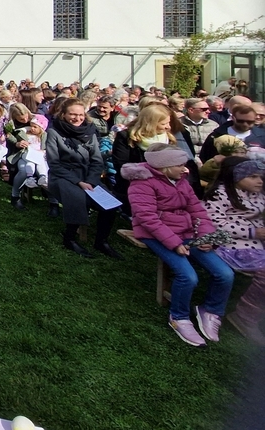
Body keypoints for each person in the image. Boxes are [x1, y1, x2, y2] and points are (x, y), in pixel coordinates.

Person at [125, 144, 234, 347]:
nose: (185, 169)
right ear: (164, 166)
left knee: (225, 274)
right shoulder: (141, 183)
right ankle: (179, 317)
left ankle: (210, 310)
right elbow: (147, 219)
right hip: (155, 235)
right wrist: (174, 244)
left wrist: (206, 237)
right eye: (180, 165)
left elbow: (198, 211)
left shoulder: (182, 181)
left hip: (186, 233)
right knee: (188, 276)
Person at [45, 98, 121, 259]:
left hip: (88, 175)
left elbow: (97, 160)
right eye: (72, 114)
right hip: (63, 176)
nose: (77, 118)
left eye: (80, 115)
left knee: (110, 203)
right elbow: (54, 164)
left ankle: (101, 241)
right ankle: (70, 238)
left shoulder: (90, 131)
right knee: (78, 198)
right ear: (64, 114)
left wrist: (91, 180)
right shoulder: (54, 132)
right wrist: (78, 182)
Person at [202, 155, 265, 344]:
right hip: (231, 246)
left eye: (261, 177)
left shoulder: (256, 194)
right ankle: (245, 317)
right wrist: (253, 232)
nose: (260, 181)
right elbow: (215, 223)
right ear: (237, 177)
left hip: (256, 244)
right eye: (253, 176)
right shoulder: (220, 194)